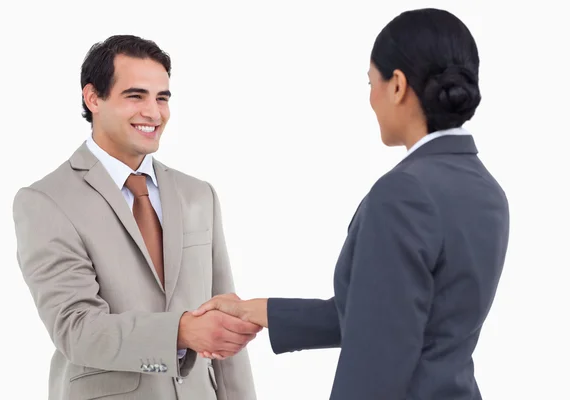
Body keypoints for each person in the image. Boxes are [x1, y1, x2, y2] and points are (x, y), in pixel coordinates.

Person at [192, 8, 510, 400]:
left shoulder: (404, 194)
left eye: (371, 81)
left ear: (397, 85)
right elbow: (388, 318)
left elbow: (376, 362)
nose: (371, 98)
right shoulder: (485, 188)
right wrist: (259, 311)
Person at [12, 35, 258, 400]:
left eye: (162, 98)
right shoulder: (46, 201)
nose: (154, 112)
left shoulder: (198, 194)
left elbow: (228, 321)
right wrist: (181, 331)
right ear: (93, 98)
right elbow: (76, 330)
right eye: (135, 96)